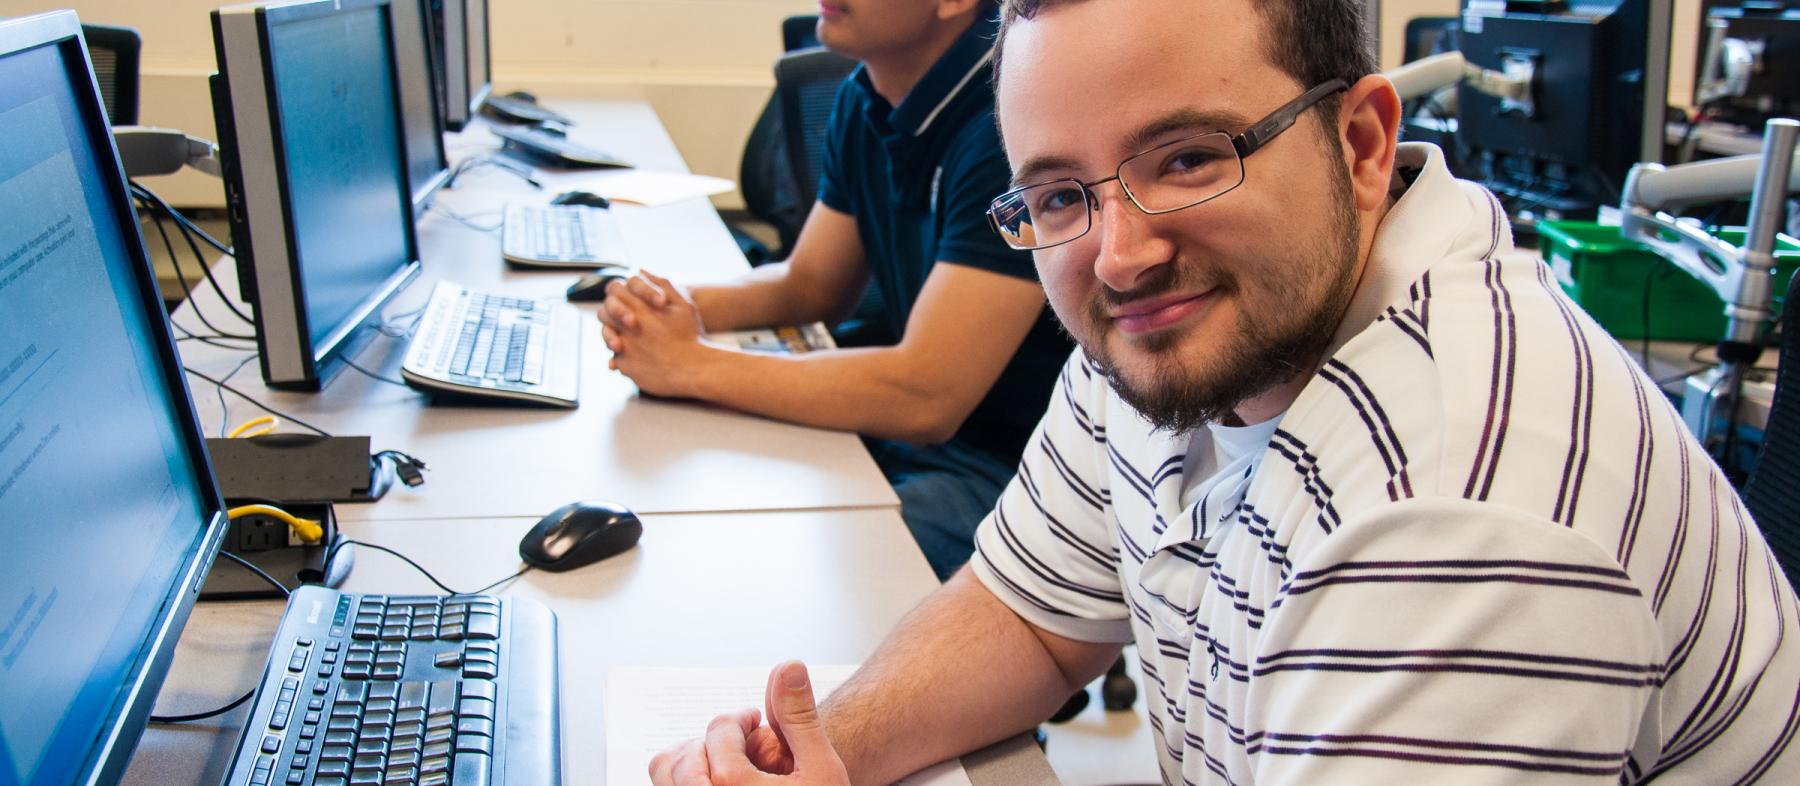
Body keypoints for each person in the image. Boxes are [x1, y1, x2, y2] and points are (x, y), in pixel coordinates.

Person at [648, 0, 1800, 784]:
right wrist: (813, 753)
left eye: (1190, 158)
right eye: (1057, 197)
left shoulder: (1456, 514)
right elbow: (1025, 618)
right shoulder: (1160, 343)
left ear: (1358, 143)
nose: (1120, 254)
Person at [598, 0, 1071, 580]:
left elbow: (926, 398)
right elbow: (808, 285)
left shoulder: (1007, 123)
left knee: (785, 569)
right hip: (914, 441)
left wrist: (690, 365)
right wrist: (668, 308)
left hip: (1014, 468)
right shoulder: (867, 97)